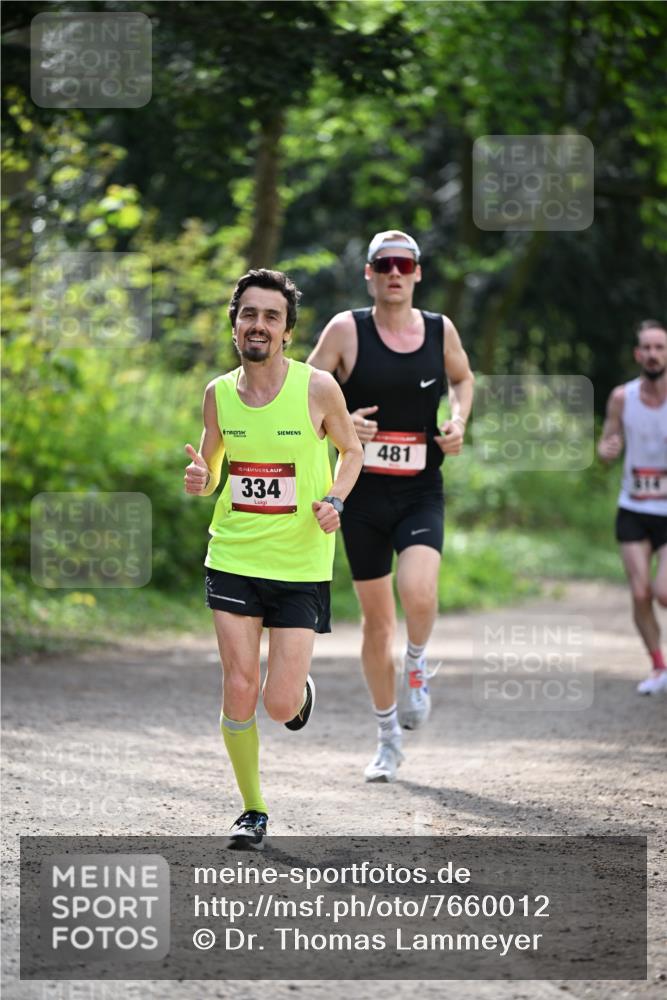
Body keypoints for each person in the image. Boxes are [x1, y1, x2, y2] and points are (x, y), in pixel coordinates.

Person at [184, 269, 363, 847]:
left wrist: (335, 497)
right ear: (235, 323)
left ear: (287, 331)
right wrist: (200, 475)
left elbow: (352, 451)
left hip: (300, 565)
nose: (258, 325)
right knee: (238, 685)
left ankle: (297, 690)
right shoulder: (217, 393)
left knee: (279, 703)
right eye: (249, 314)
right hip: (234, 553)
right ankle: (253, 808)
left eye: (271, 316)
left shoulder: (317, 388)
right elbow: (214, 472)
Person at [308, 230, 474, 782]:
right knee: (376, 627)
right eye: (384, 264)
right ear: (370, 273)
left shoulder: (437, 330)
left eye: (405, 264)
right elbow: (304, 398)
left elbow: (463, 379)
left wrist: (457, 423)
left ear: (418, 273)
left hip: (420, 490)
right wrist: (341, 426)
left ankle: (419, 663)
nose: (395, 273)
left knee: (419, 590)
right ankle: (387, 739)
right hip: (361, 496)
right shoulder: (345, 331)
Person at [598, 318, 667, 695]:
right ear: (638, 354)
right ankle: (659, 666)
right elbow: (607, 444)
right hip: (634, 507)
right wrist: (607, 449)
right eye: (648, 348)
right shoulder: (622, 397)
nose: (654, 355)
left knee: (664, 592)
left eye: (661, 348)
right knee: (640, 593)